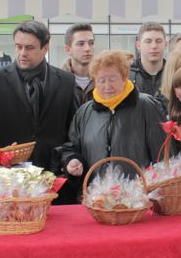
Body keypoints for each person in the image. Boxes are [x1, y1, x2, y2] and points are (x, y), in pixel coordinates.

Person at [0, 21, 79, 184]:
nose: (22, 53)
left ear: (45, 49)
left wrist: (69, 160)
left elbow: (73, 131)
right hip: (8, 176)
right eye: (18, 46)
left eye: (29, 48)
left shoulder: (66, 81)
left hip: (54, 173)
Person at [58, 50, 167, 180]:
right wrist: (72, 160)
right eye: (101, 80)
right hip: (95, 190)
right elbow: (71, 147)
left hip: (140, 190)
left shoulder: (147, 106)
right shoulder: (84, 112)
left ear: (124, 77)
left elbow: (163, 153)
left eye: (112, 79)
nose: (107, 86)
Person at [129, 22, 167, 97]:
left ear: (165, 44)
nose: (154, 46)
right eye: (148, 41)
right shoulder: (126, 77)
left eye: (159, 41)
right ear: (138, 45)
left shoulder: (175, 75)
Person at [62, 23, 96, 104]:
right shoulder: (57, 82)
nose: (87, 48)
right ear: (68, 49)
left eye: (91, 43)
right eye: (81, 44)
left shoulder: (104, 80)